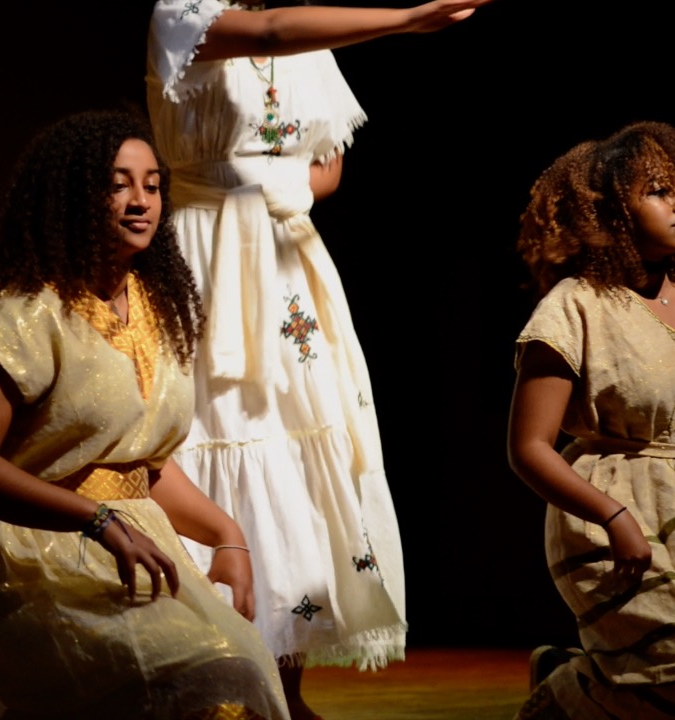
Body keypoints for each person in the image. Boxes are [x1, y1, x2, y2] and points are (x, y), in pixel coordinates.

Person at [146, 1, 490, 716]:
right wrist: (403, 21)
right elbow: (268, 33)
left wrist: (283, 187)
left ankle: (287, 685)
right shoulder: (182, 13)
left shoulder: (311, 48)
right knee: (220, 428)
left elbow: (327, 167)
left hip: (286, 258)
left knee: (300, 445)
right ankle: (208, 681)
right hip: (208, 253)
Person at [0, 110, 288, 720]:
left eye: (151, 185)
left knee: (235, 666)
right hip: (29, 557)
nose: (139, 200)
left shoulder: (159, 307)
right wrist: (94, 520)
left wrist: (227, 535)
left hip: (129, 539)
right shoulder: (24, 315)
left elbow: (138, 465)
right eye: (117, 183)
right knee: (185, 678)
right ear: (73, 196)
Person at [507, 122, 675, 719]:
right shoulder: (574, 306)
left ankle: (569, 676)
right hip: (614, 515)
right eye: (659, 191)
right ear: (609, 213)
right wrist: (613, 516)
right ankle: (560, 696)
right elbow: (530, 447)